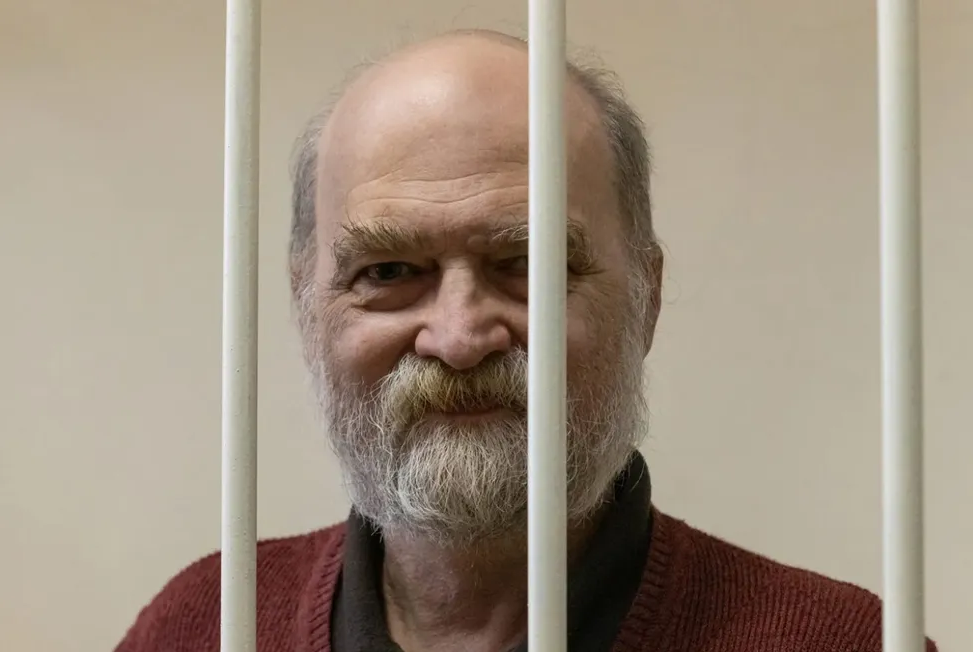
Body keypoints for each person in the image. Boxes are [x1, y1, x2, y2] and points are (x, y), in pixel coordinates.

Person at [115, 29, 937, 652]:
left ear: (645, 298)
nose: (459, 338)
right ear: (306, 307)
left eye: (529, 266)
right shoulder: (204, 626)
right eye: (389, 270)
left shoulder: (847, 643)